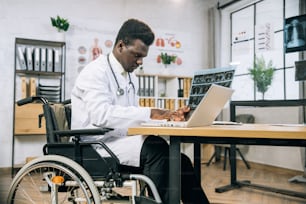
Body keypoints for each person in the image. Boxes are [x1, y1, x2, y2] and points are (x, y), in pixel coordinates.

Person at [71, 18, 210, 204]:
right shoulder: (95, 72)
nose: (139, 61)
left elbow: (133, 114)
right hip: (95, 146)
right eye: (136, 55)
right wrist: (152, 113)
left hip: (121, 141)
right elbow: (101, 115)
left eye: (143, 57)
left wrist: (169, 117)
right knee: (157, 149)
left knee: (180, 160)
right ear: (121, 46)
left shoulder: (130, 77)